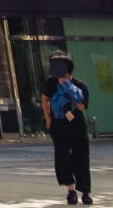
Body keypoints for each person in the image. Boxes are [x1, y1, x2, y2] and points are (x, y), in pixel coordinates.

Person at [41, 55, 92, 205]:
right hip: (58, 127)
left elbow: (82, 106)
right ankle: (71, 190)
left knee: (81, 159)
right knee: (63, 158)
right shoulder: (51, 82)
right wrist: (48, 118)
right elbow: (44, 98)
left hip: (77, 127)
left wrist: (68, 88)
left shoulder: (79, 85)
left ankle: (85, 193)